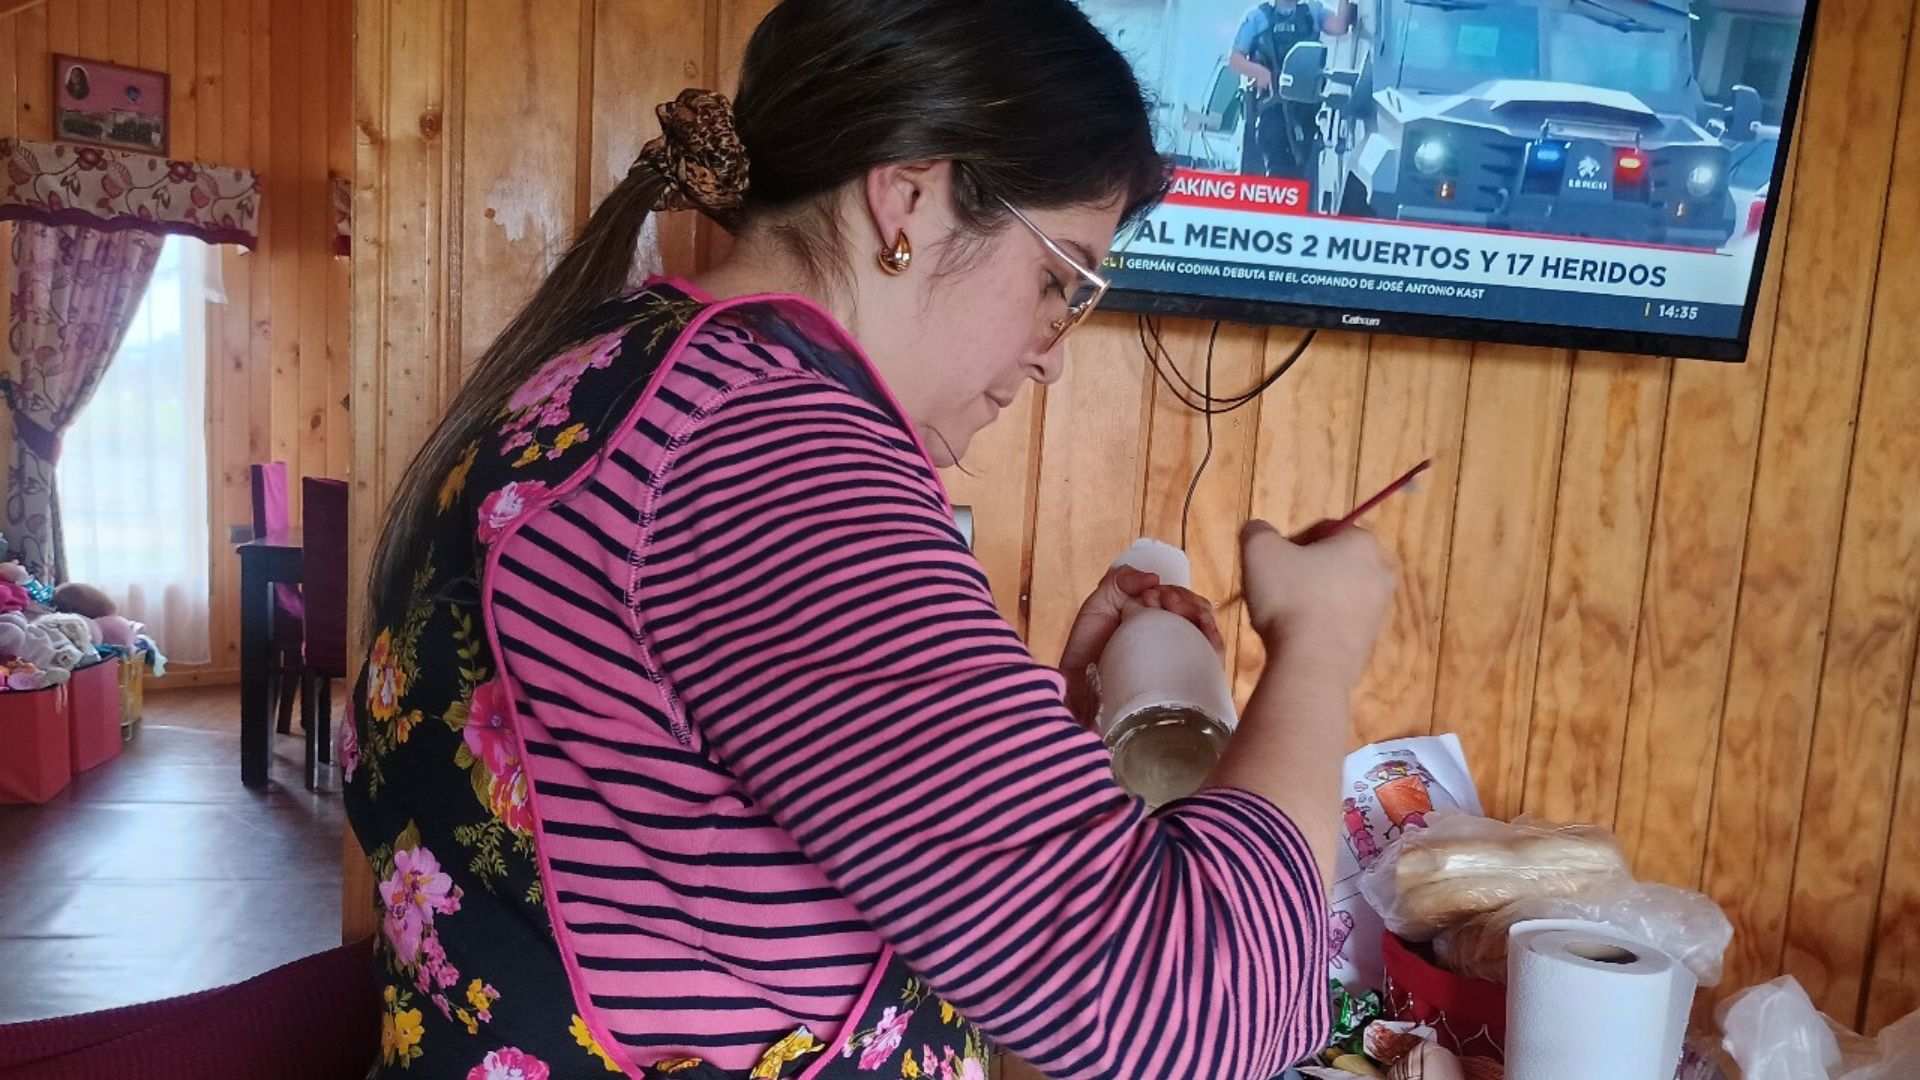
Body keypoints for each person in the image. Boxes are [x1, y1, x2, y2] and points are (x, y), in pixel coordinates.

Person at [346, 0, 1396, 1077]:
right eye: (1058, 279)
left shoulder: (617, 372)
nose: (1053, 354)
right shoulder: (770, 452)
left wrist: (1047, 741)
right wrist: (1318, 644)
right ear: (908, 195)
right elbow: (1205, 1013)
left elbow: (706, 818)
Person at [1230, 0, 1358, 179]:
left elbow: (1340, 26)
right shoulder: (1256, 17)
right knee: (1278, 171)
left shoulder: (1312, 11)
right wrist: (1260, 72)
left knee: (1304, 170)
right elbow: (1235, 60)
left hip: (1305, 109)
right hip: (1272, 108)